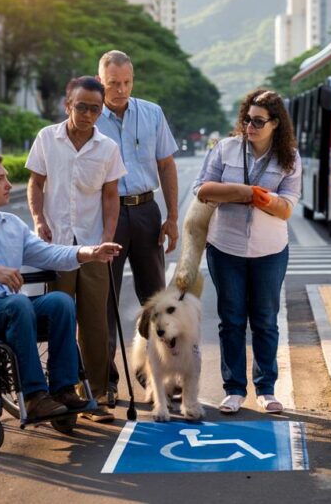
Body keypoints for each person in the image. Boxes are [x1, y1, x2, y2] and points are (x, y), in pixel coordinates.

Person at [0, 151, 121, 421]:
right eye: (0, 179)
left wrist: (90, 253)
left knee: (60, 302)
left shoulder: (12, 225)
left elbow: (49, 254)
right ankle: (34, 397)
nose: (9, 184)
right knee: (18, 303)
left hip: (12, 310)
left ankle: (64, 389)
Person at [193, 89, 302, 415]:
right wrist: (246, 192)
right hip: (225, 248)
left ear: (275, 124)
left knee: (266, 320)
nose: (249, 126)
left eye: (258, 121)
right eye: (246, 119)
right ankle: (234, 389)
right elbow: (202, 189)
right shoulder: (226, 149)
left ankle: (267, 389)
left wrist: (252, 197)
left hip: (270, 250)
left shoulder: (290, 158)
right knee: (231, 320)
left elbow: (286, 209)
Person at [26, 76, 126, 422]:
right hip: (56, 247)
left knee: (95, 321)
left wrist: (108, 237)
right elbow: (35, 183)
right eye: (80, 106)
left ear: (101, 110)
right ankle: (61, 392)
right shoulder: (46, 139)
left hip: (94, 245)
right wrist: (39, 219)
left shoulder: (107, 148)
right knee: (61, 319)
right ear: (67, 104)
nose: (87, 114)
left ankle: (96, 394)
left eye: (94, 109)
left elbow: (111, 196)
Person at [95, 50, 180, 406]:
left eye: (127, 82)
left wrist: (172, 217)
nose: (121, 89)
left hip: (146, 210)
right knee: (104, 302)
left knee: (156, 301)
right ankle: (106, 382)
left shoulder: (152, 113)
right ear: (101, 81)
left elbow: (166, 165)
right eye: (113, 83)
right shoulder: (88, 117)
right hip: (105, 216)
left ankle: (156, 377)